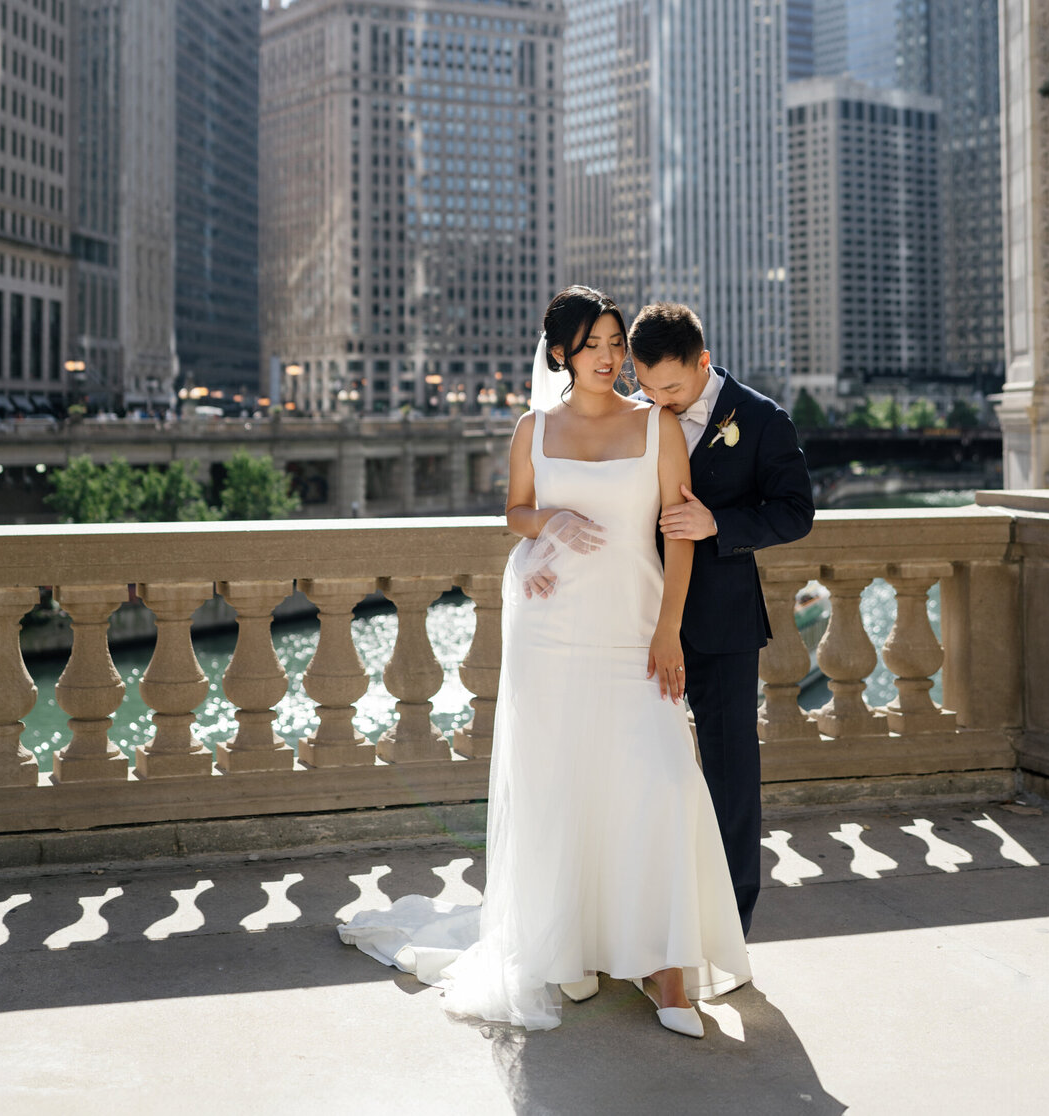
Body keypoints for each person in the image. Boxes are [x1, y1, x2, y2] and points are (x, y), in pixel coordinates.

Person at [339, 285, 749, 1034]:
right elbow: (514, 515)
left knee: (661, 782)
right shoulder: (533, 427)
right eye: (592, 344)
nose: (609, 357)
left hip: (633, 631)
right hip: (551, 634)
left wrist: (669, 630)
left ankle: (668, 972)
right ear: (560, 352)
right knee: (565, 786)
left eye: (616, 343)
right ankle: (573, 952)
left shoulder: (657, 425)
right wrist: (551, 520)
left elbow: (680, 532)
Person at [629, 302, 815, 936]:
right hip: (631, 614)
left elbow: (796, 512)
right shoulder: (637, 417)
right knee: (636, 765)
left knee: (731, 772)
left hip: (724, 626)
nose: (659, 401)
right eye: (645, 386)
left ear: (703, 362)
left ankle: (731, 923)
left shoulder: (763, 419)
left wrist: (720, 524)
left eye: (672, 388)